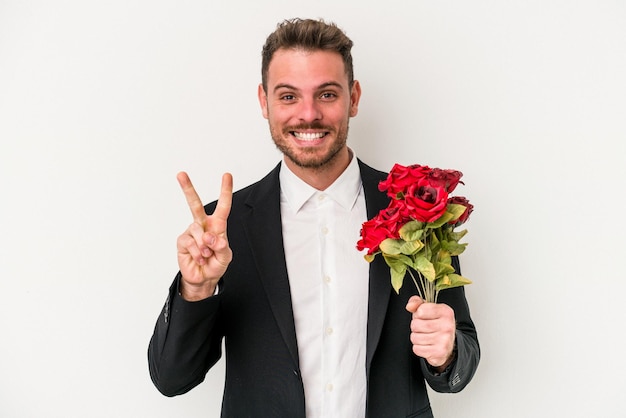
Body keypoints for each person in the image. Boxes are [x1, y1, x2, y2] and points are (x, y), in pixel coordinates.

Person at [148, 17, 480, 418]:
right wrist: (195, 289)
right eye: (288, 96)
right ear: (263, 101)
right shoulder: (223, 227)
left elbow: (461, 357)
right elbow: (171, 379)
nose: (308, 115)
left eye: (326, 94)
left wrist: (446, 353)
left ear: (353, 98)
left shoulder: (416, 209)